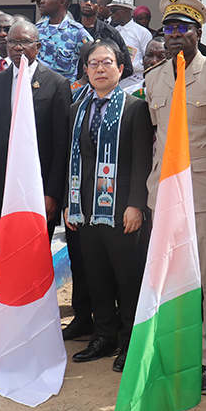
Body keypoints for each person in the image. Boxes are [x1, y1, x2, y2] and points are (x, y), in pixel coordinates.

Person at [145, 0, 206, 394]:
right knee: (166, 277)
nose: (175, 34)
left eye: (183, 28)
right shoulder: (153, 78)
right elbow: (156, 138)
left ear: (198, 33)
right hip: (163, 194)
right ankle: (170, 350)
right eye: (169, 28)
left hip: (203, 192)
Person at [65, 40, 153, 374]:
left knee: (127, 277)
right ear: (85, 70)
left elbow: (141, 159)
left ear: (120, 67)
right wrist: (69, 203)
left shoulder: (134, 108)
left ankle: (130, 339)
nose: (100, 70)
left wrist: (136, 205)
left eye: (107, 63)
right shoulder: (77, 108)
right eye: (93, 64)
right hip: (84, 208)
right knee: (95, 274)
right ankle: (104, 335)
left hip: (121, 210)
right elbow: (74, 159)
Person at [0, 21, 71, 307]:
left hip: (38, 191)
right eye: (12, 43)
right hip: (1, 188)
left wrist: (52, 193)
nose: (17, 48)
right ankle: (2, 318)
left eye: (24, 42)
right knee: (3, 255)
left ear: (37, 46)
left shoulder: (56, 84)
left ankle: (33, 314)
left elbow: (60, 146)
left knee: (32, 256)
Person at [35, 0, 93, 84]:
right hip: (37, 91)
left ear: (62, 2)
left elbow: (94, 57)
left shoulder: (77, 32)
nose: (42, 1)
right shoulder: (36, 30)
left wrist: (79, 84)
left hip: (63, 94)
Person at [76, 0, 133, 81]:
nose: (88, 3)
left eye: (93, 1)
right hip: (74, 87)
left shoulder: (111, 33)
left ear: (100, 8)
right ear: (80, 3)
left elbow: (127, 67)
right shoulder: (70, 31)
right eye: (85, 0)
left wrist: (107, 79)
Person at [108, 0, 152, 94]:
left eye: (114, 11)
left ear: (125, 11)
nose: (111, 14)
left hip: (135, 85)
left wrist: (130, 65)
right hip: (116, 85)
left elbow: (149, 60)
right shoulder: (113, 32)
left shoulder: (142, 33)